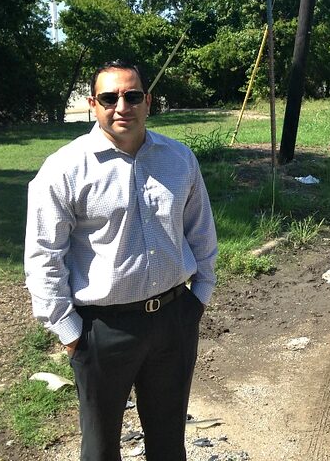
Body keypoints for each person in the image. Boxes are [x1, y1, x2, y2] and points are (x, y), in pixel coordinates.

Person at [24, 60, 218, 461]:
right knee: (100, 449)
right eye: (110, 98)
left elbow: (200, 231)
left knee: (168, 442)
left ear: (147, 101)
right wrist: (69, 330)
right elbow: (44, 255)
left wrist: (200, 295)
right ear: (94, 105)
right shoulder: (64, 169)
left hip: (173, 319)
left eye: (131, 96)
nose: (121, 106)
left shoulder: (179, 159)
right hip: (101, 330)